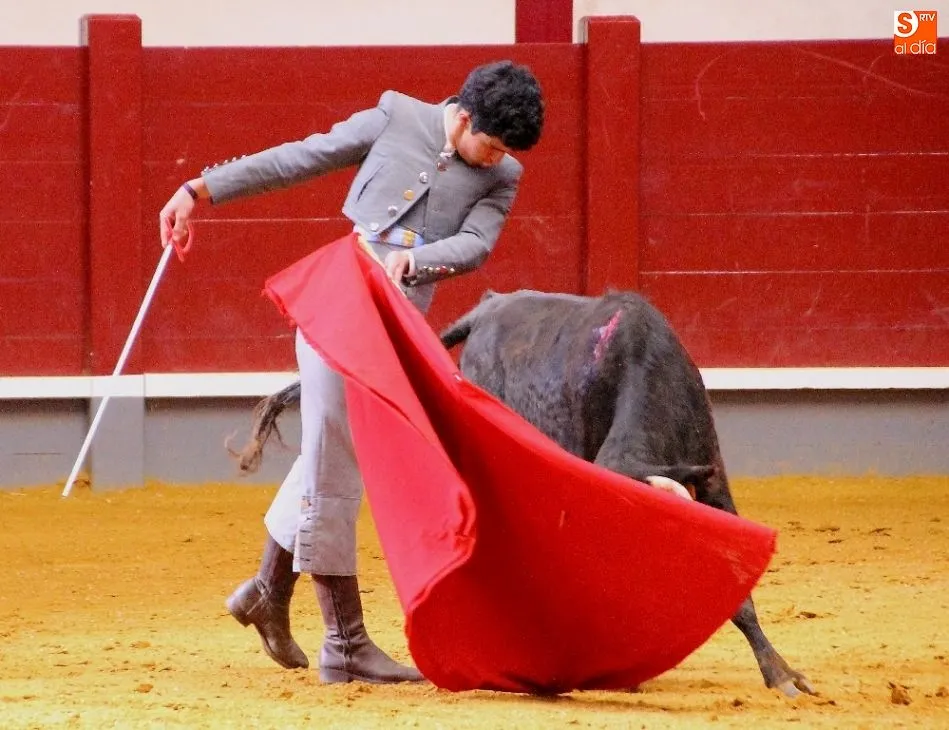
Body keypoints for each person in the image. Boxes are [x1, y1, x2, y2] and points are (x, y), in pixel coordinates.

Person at [158, 60, 545, 684]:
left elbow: (477, 244)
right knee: (336, 464)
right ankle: (344, 640)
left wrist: (415, 260)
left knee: (330, 455)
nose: (496, 159)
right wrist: (200, 189)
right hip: (339, 299)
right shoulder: (398, 114)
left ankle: (267, 590)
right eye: (491, 145)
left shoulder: (504, 172)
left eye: (505, 152)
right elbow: (301, 157)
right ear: (466, 118)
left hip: (397, 325)